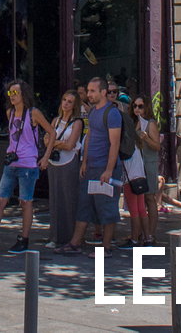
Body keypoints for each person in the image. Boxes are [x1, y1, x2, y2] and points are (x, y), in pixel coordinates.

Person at [0, 79, 54, 253]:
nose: (12, 96)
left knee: (25, 202)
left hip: (28, 163)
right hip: (12, 162)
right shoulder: (11, 113)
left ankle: (24, 239)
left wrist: (46, 157)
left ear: (23, 94)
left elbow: (52, 132)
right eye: (10, 93)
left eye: (15, 93)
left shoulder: (33, 113)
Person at [58, 77, 123, 256]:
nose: (89, 94)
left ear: (103, 92)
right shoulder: (93, 112)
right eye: (88, 91)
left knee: (106, 206)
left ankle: (106, 246)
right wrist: (84, 161)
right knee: (84, 205)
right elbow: (89, 138)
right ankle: (75, 243)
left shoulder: (112, 113)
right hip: (91, 167)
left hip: (105, 167)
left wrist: (109, 170)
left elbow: (115, 143)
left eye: (92, 91)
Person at [44, 90, 85, 247]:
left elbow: (70, 145)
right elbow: (46, 140)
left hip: (69, 162)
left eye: (70, 102)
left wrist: (54, 143)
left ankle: (70, 237)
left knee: (69, 199)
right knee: (55, 199)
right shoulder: (55, 121)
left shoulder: (77, 122)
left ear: (74, 105)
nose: (66, 104)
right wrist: (58, 143)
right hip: (54, 162)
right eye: (64, 100)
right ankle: (55, 236)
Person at [128, 95, 162, 245]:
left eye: (140, 106)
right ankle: (141, 232)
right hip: (136, 163)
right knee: (139, 199)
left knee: (149, 197)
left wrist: (147, 138)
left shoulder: (150, 123)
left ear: (146, 107)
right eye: (135, 106)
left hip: (148, 163)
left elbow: (157, 146)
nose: (137, 109)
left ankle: (151, 233)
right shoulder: (133, 122)